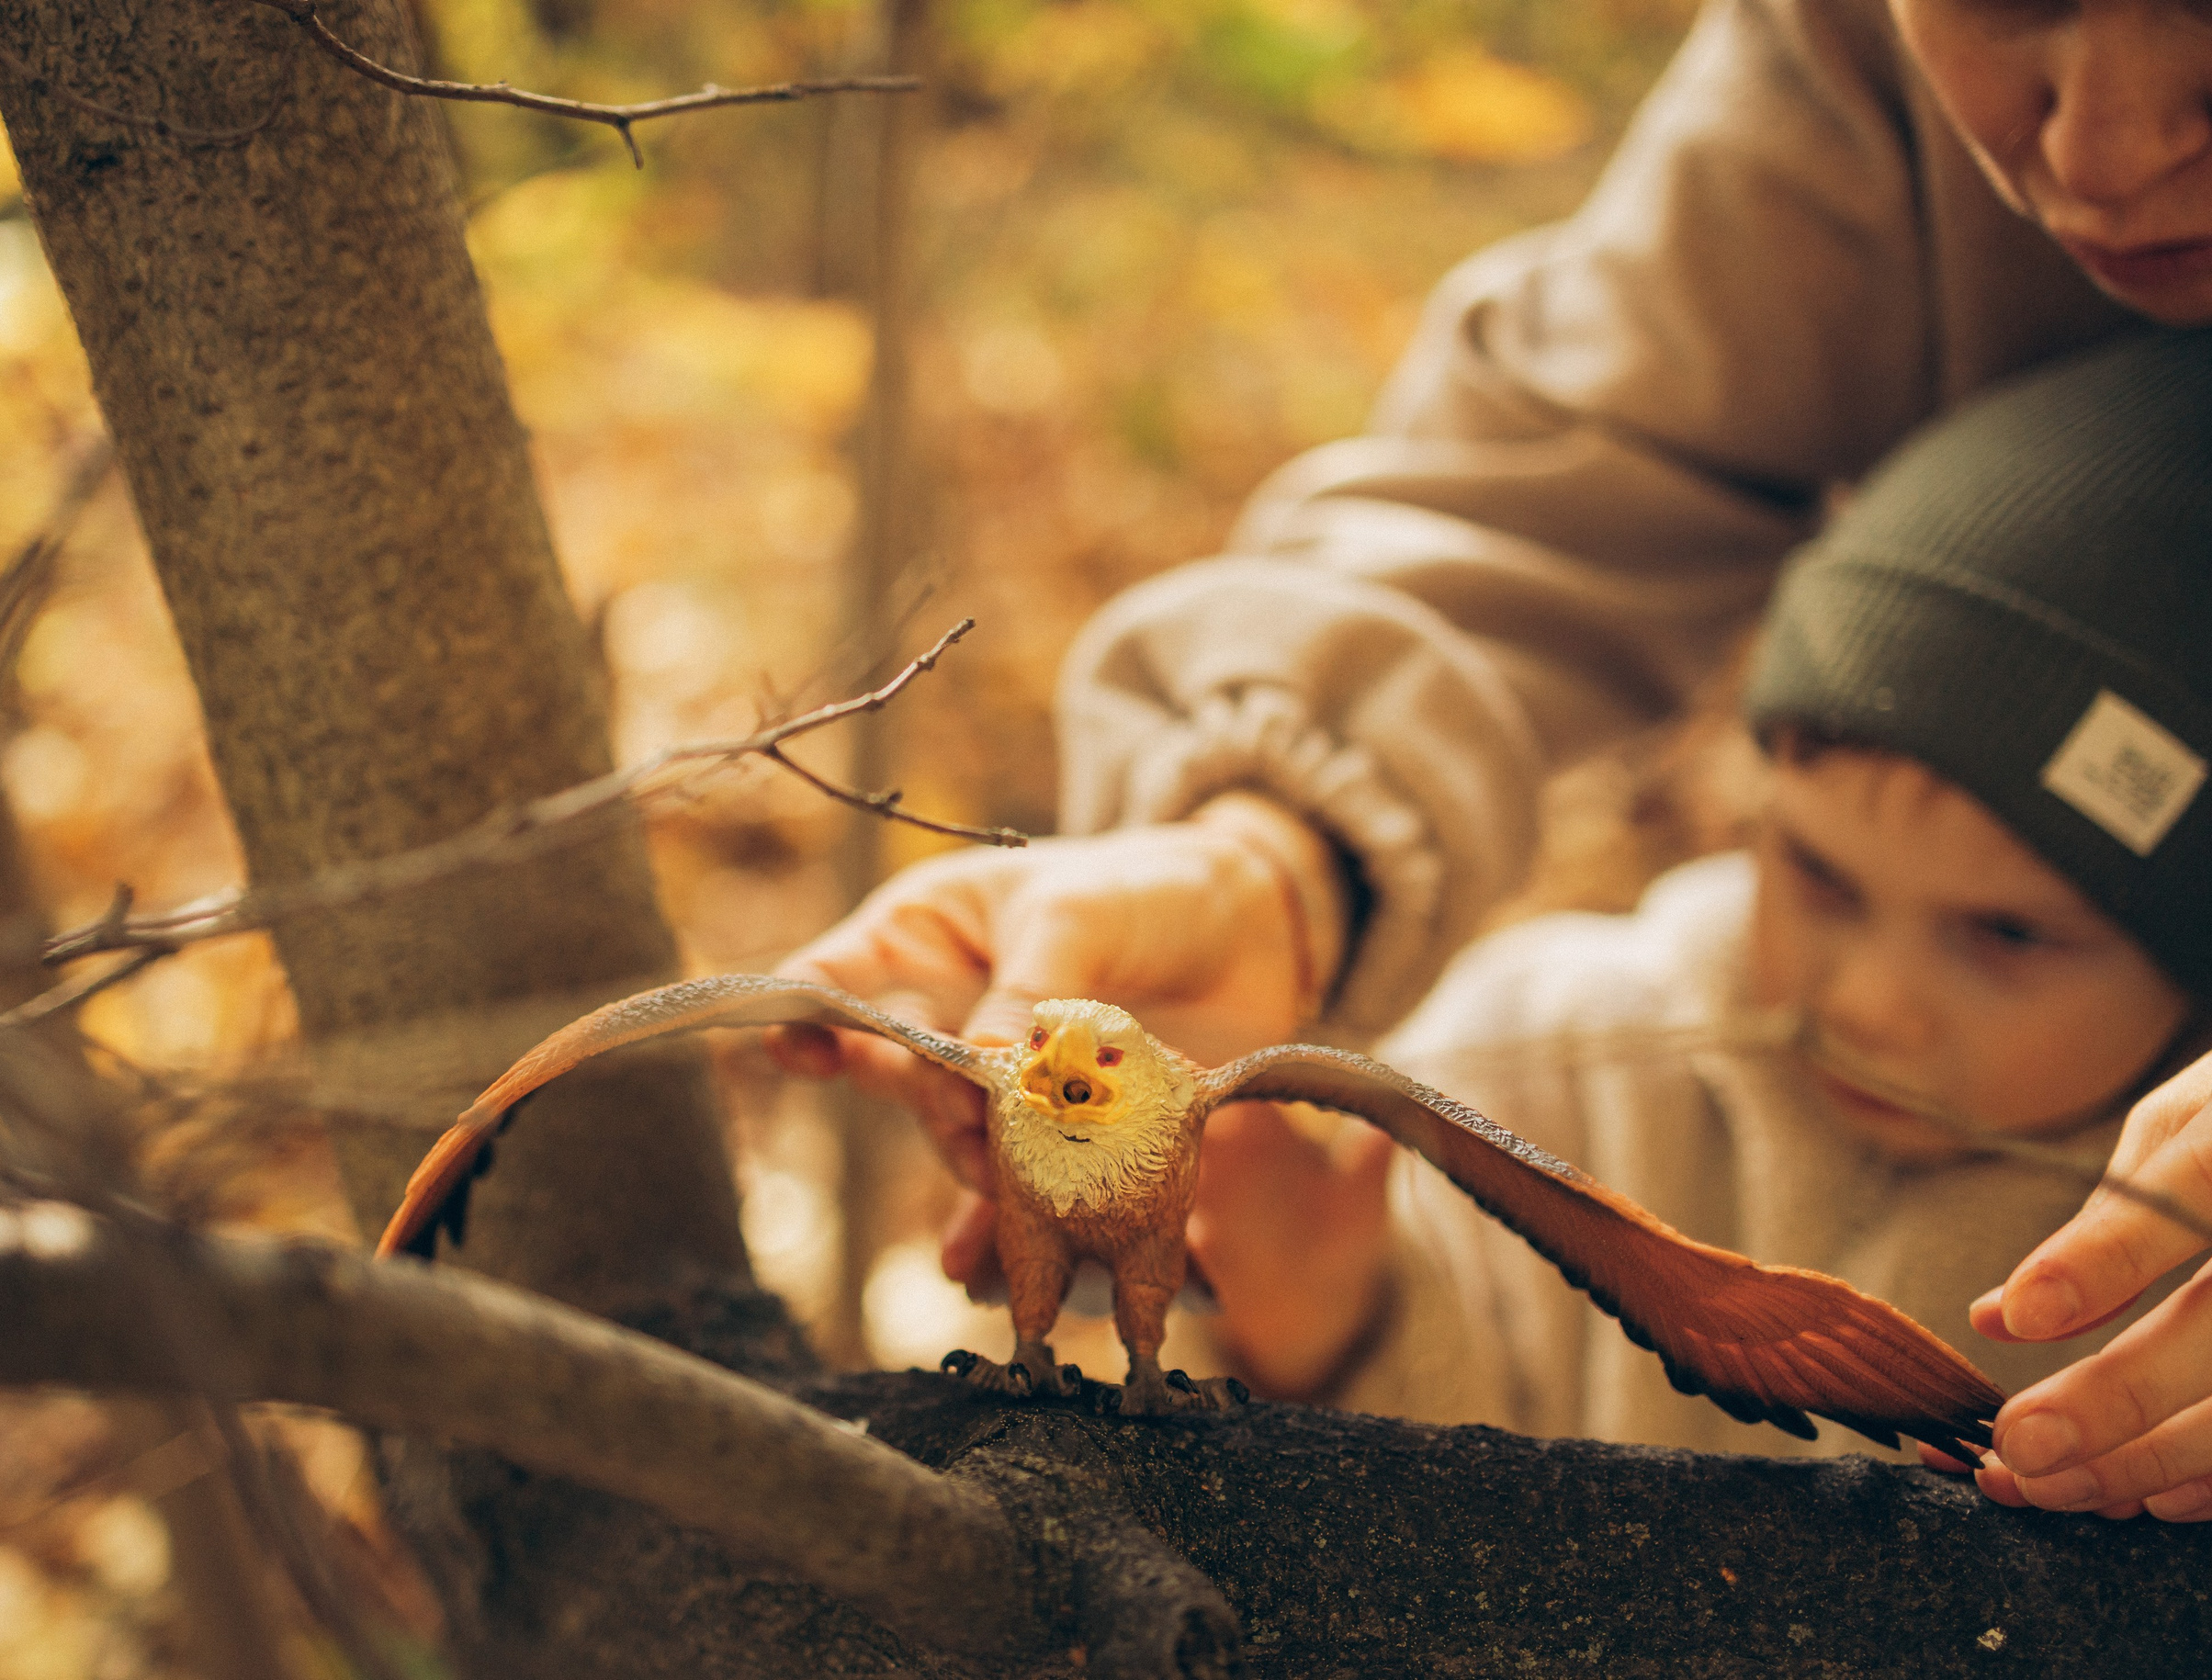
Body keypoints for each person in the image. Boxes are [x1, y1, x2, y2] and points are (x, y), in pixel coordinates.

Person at [773, 0, 2212, 1516]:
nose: (2098, 149)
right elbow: (1578, 457)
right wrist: (1266, 850)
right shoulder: (1564, 1062)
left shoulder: (2133, 1238)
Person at [1301, 331, 2211, 1470]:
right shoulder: (1539, 1066)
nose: (1870, 1006)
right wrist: (1319, 1324)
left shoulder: (2188, 1280)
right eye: (1817, 875)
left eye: (2010, 934)